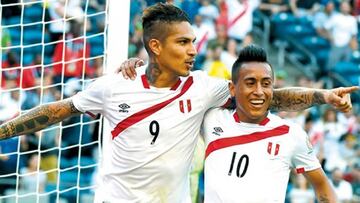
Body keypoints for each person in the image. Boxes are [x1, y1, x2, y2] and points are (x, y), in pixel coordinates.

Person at [0, 3, 357, 202]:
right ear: (155, 46)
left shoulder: (204, 87)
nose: (193, 50)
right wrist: (4, 131)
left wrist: (322, 96)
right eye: (183, 43)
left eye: (193, 42)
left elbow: (263, 97)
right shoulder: (113, 87)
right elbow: (54, 111)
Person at [201, 45, 336, 202]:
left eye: (266, 84)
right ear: (232, 88)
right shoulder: (211, 119)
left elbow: (322, 185)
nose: (259, 91)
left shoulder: (291, 134)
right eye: (250, 83)